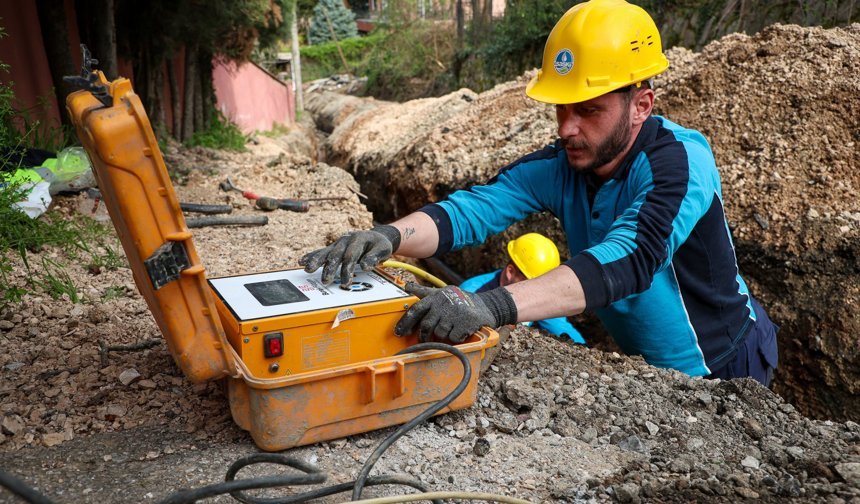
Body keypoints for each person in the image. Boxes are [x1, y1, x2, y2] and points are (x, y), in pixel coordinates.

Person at [300, 0, 778, 386]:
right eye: (561, 109)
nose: (567, 128)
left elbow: (632, 257)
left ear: (642, 106)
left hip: (724, 366)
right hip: (651, 370)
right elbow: (473, 210)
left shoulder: (680, 162)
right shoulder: (566, 162)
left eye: (588, 110)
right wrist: (388, 237)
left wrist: (490, 305)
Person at [460, 233, 585, 343]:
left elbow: (562, 329)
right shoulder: (473, 292)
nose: (538, 292)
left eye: (542, 285)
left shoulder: (540, 294)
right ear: (510, 272)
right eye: (532, 282)